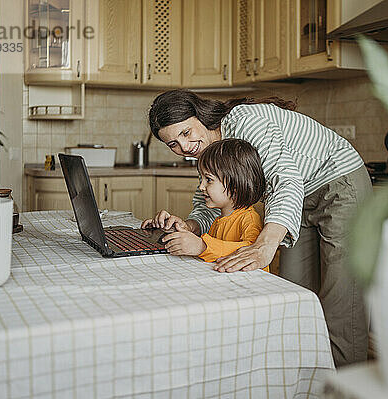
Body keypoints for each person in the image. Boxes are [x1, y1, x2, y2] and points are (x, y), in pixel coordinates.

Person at [146, 89, 373, 367]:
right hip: (297, 199)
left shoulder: (246, 121)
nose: (185, 147)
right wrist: (191, 226)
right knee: (291, 292)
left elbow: (284, 180)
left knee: (341, 299)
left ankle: (345, 386)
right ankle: (303, 375)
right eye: (173, 144)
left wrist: (265, 245)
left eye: (186, 132)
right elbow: (216, 196)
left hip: (339, 184)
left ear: (201, 116)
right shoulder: (210, 146)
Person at [142, 138, 269, 271]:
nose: (201, 186)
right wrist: (173, 232)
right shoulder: (218, 221)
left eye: (208, 179)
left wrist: (202, 246)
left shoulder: (249, 219)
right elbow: (215, 252)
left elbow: (250, 251)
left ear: (234, 186)